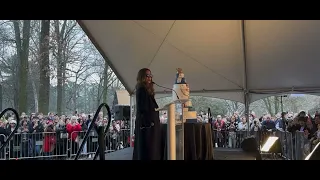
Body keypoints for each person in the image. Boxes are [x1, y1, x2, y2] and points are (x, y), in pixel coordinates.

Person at [132, 68, 161, 160]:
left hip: (150, 123)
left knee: (151, 149)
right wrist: (150, 122)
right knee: (147, 149)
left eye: (150, 76)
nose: (149, 78)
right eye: (147, 76)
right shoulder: (141, 89)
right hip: (147, 125)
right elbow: (143, 108)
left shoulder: (147, 89)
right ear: (142, 77)